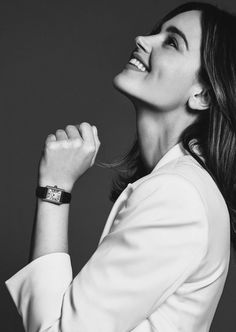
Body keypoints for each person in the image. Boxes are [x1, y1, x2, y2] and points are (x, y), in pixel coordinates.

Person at [4, 2, 236, 331]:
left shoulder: (177, 196)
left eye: (172, 42)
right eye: (157, 32)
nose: (143, 38)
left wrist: (54, 187)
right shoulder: (182, 185)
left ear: (204, 95)